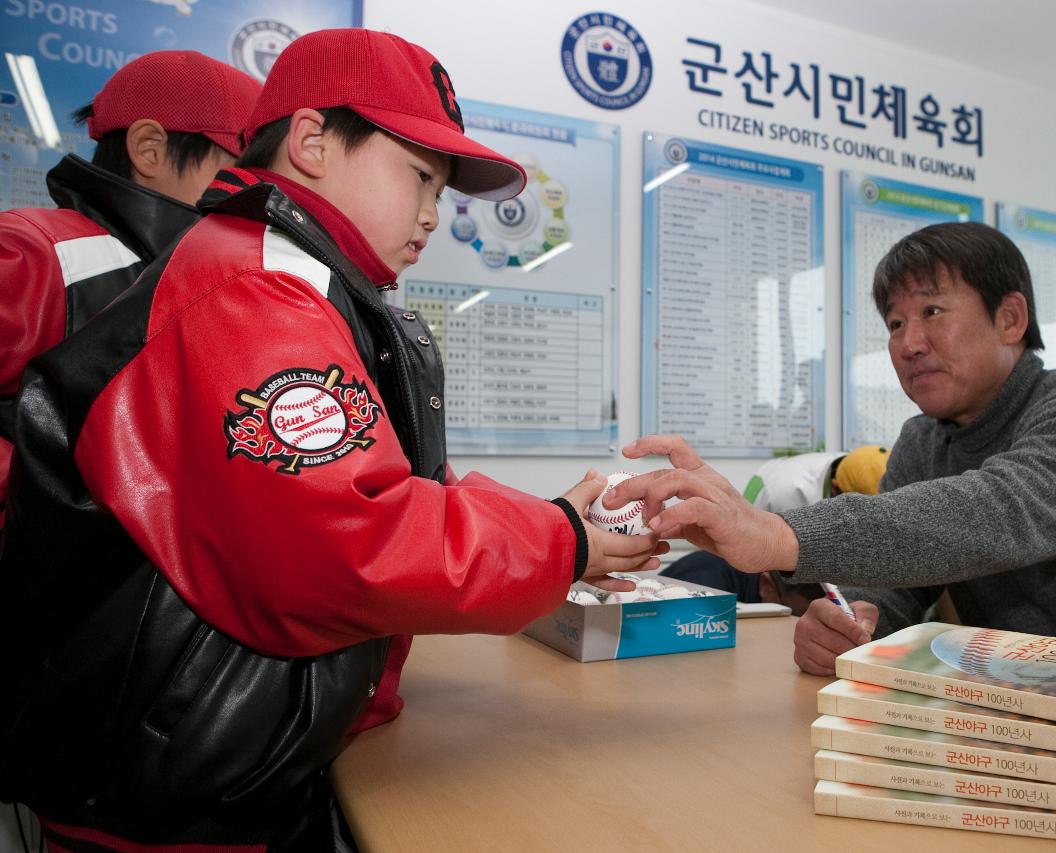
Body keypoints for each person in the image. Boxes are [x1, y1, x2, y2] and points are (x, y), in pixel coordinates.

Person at [0, 28, 660, 849]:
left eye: (444, 193)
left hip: (220, 758)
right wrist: (558, 540)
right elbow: (347, 541)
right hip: (175, 787)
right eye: (420, 177)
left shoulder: (313, 286)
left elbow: (385, 487)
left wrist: (557, 520)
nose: (432, 214)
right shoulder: (256, 285)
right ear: (311, 142)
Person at [608, 221, 1056, 729]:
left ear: (1010, 318)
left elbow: (988, 514)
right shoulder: (924, 439)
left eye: (932, 311)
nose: (906, 342)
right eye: (895, 322)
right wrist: (853, 619)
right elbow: (899, 588)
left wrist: (776, 531)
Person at [0, 51, 262, 534]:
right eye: (241, 168)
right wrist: (48, 514)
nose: (252, 194)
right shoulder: (35, 250)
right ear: (149, 149)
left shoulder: (206, 281)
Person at [661, 446, 889, 612]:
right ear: (837, 486)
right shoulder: (788, 491)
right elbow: (773, 552)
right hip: (759, 516)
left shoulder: (868, 468)